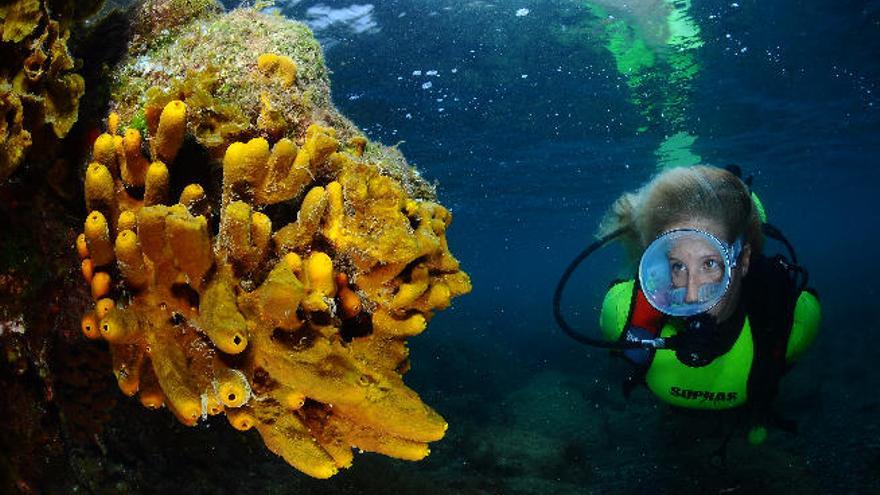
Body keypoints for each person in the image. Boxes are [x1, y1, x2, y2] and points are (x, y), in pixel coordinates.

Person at [555, 165, 821, 446]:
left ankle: (745, 201)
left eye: (709, 264)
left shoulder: (795, 321)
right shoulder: (621, 315)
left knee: (744, 214)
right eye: (677, 266)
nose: (692, 296)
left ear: (741, 262)